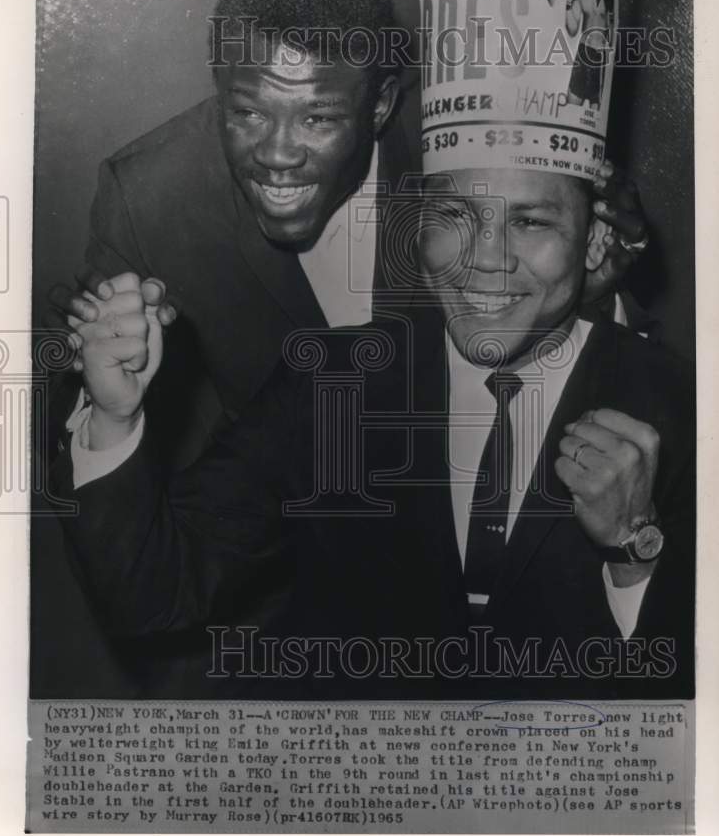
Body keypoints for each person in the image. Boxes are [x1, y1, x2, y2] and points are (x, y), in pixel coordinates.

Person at [56, 158, 693, 700]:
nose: (486, 261)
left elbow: (688, 701)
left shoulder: (677, 403)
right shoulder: (334, 382)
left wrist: (633, 550)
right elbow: (152, 597)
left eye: (530, 221)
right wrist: (116, 414)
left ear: (595, 240)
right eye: (457, 218)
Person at [47, 0, 649, 471]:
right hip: (267, 562)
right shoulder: (150, 196)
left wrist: (591, 295)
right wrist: (99, 377)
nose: (278, 154)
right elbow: (87, 413)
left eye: (319, 117)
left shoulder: (464, 150)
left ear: (382, 105)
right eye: (248, 112)